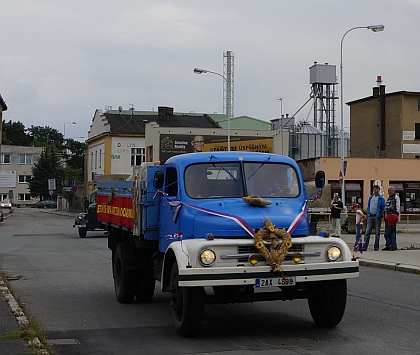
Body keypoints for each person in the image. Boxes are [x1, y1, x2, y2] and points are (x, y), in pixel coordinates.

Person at [363, 184, 386, 251]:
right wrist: (368, 213)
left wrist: (380, 215)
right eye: (374, 189)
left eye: (377, 189)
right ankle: (365, 246)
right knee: (367, 232)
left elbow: (383, 208)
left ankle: (376, 247)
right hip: (370, 216)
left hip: (377, 217)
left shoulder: (381, 198)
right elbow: (368, 206)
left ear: (379, 190)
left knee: (377, 233)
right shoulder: (371, 197)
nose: (376, 190)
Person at [383, 186, 400, 250]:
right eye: (388, 191)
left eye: (390, 190)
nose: (389, 192)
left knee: (390, 234)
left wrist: (396, 216)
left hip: (392, 217)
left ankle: (393, 246)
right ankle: (388, 245)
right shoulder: (389, 198)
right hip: (388, 218)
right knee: (388, 233)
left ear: (393, 191)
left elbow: (397, 207)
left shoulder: (396, 198)